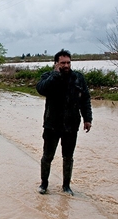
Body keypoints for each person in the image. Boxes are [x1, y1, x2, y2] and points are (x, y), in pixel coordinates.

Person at [35, 49, 93, 196]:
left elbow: (85, 99)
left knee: (68, 157)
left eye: (68, 62)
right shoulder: (48, 77)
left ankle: (66, 186)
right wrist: (55, 75)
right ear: (56, 64)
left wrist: (87, 119)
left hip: (71, 126)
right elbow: (41, 89)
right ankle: (44, 184)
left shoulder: (78, 78)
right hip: (52, 125)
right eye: (63, 63)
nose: (66, 65)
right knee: (47, 156)